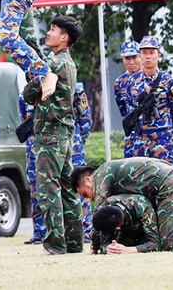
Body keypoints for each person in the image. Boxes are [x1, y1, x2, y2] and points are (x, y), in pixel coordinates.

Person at [21, 15, 84, 256]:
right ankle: (74, 243)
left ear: (64, 37)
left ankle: (55, 244)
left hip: (50, 134)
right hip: (64, 134)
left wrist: (32, 87)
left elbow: (28, 94)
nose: (48, 33)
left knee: (48, 190)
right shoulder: (69, 63)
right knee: (67, 190)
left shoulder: (54, 64)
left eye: (54, 30)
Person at [122, 35, 173, 163]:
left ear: (159, 55)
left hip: (163, 142)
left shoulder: (170, 82)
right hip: (140, 143)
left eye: (152, 52)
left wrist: (165, 129)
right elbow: (130, 109)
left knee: (165, 180)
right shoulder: (132, 82)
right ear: (139, 56)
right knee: (141, 181)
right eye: (144, 53)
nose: (148, 56)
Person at [88, 194, 162, 254]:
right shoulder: (105, 211)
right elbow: (104, 242)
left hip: (143, 232)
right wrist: (108, 249)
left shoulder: (143, 208)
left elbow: (155, 244)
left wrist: (130, 250)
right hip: (126, 232)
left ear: (117, 228)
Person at [19, 94, 46, 245]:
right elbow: (24, 120)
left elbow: (84, 122)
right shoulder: (24, 97)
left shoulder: (54, 92)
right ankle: (39, 233)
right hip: (32, 150)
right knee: (35, 191)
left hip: (51, 147)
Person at [72, 82, 93, 242]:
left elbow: (85, 122)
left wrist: (78, 141)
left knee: (83, 189)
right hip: (53, 148)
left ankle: (86, 230)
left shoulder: (78, 92)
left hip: (74, 148)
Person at [113, 40, 141, 157]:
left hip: (152, 135)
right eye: (127, 58)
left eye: (134, 57)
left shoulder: (149, 79)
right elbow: (123, 111)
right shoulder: (119, 83)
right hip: (131, 136)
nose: (131, 62)